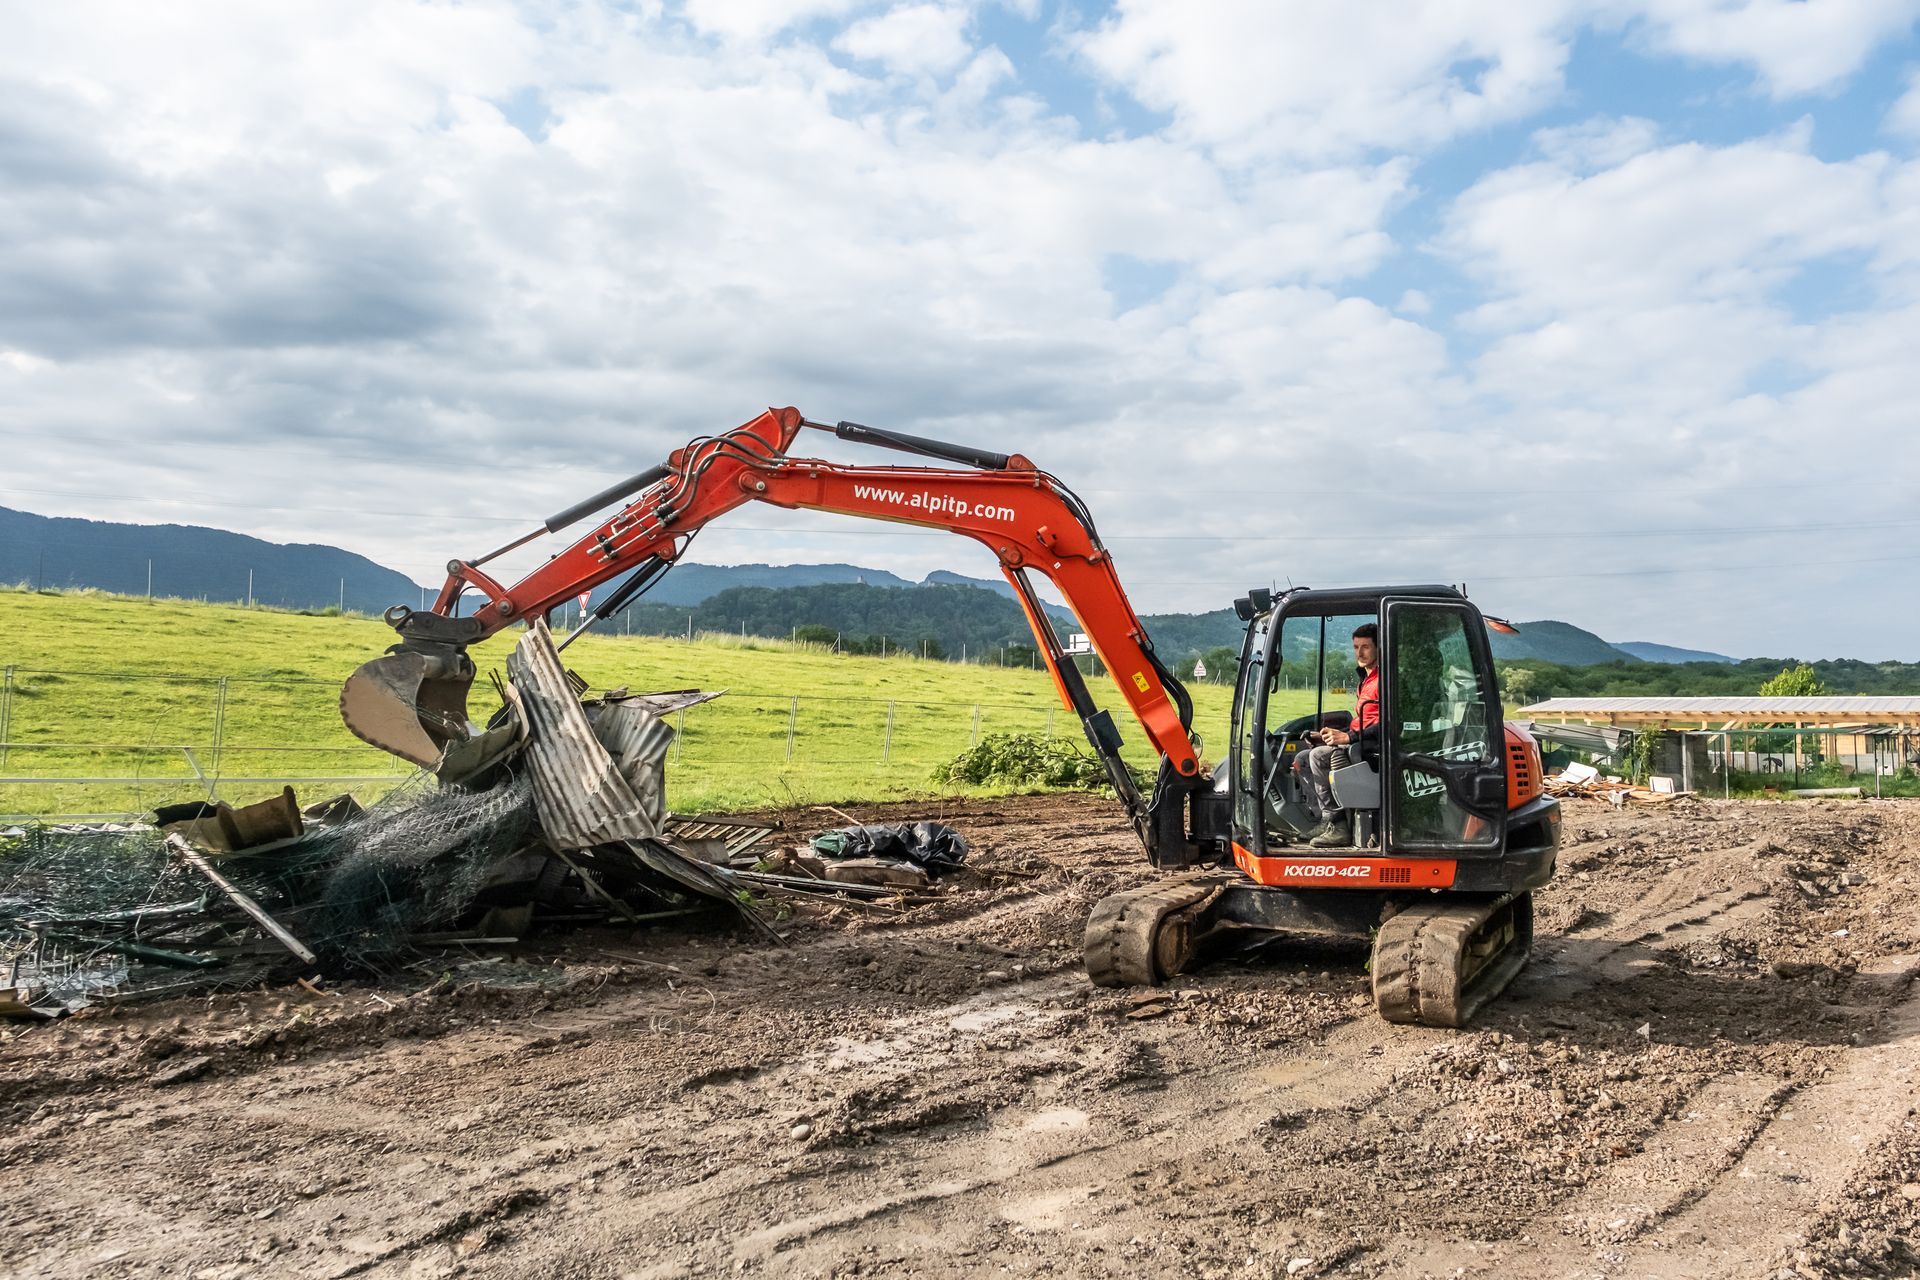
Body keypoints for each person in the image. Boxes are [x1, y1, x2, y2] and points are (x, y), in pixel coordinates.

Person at [1303, 622, 1379, 849]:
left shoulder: (1384, 680)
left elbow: (1386, 722)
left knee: (1318, 757)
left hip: (1373, 745)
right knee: (1301, 759)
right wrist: (1332, 734)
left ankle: (1339, 826)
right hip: (1361, 738)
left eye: (1365, 647)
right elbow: (1362, 722)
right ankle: (1326, 820)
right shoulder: (1365, 681)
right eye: (1356, 647)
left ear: (1378, 648)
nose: (1360, 653)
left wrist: (1349, 738)